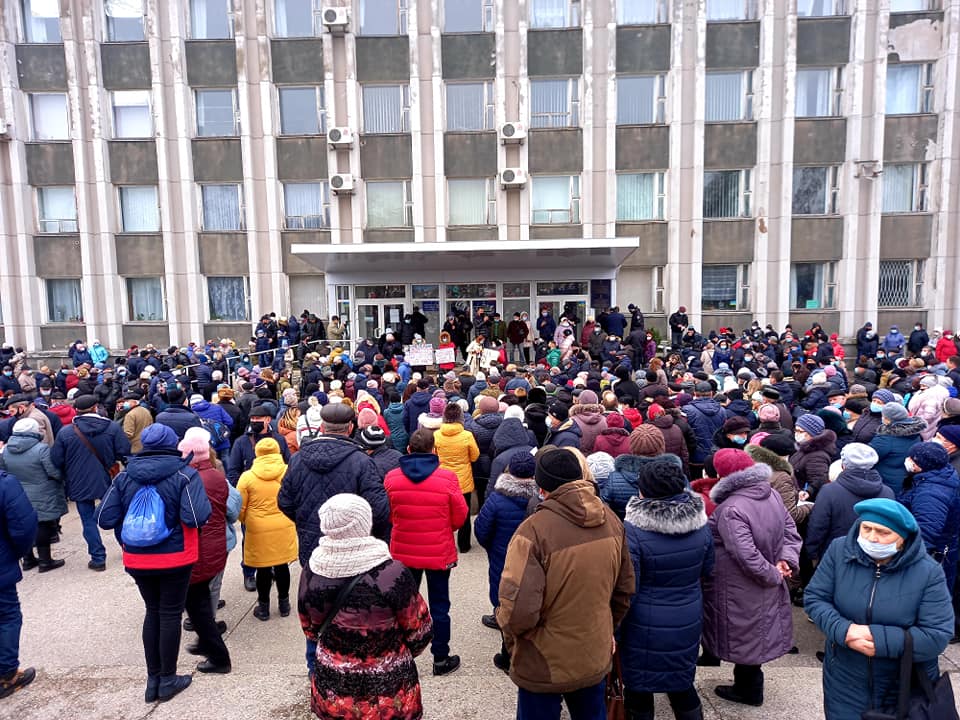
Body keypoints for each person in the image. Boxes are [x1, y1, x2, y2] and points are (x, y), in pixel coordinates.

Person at [497, 447, 635, 720]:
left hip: (542, 658)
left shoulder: (533, 530)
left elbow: (518, 610)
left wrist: (511, 639)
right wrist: (605, 628)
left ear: (542, 486)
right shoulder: (611, 520)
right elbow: (624, 589)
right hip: (593, 652)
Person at [805, 498, 954, 719]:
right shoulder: (839, 551)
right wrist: (844, 630)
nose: (872, 537)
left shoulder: (928, 572)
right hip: (844, 679)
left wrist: (877, 640)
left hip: (902, 685)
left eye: (884, 533)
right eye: (866, 528)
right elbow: (815, 598)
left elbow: (937, 635)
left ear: (903, 539)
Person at [96, 424, 212, 703]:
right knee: (170, 613)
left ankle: (153, 680)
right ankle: (168, 679)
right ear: (173, 444)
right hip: (176, 555)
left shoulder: (124, 478)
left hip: (137, 557)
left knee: (153, 611)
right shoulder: (185, 474)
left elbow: (105, 518)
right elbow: (196, 518)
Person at [298, 494, 433, 718]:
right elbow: (420, 631)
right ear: (364, 523)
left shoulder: (312, 569)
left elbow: (309, 627)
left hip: (334, 687)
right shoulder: (390, 572)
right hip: (389, 691)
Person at [700, 449, 801, 707]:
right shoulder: (772, 494)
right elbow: (791, 530)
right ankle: (747, 686)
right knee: (755, 633)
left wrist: (773, 573)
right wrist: (786, 562)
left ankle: (748, 690)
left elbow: (745, 555)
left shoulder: (731, 508)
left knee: (744, 634)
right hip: (763, 580)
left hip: (739, 585)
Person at [619, 458, 714, 720]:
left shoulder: (632, 531)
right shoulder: (700, 524)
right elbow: (708, 568)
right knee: (682, 682)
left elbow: (629, 586)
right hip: (687, 615)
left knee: (638, 689)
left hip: (642, 623)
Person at [383, 428, 468, 677]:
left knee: (404, 604)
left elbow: (388, 513)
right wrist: (444, 527)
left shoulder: (392, 477)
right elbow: (460, 515)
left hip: (404, 549)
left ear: (408, 449)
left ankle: (403, 655)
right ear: (434, 449)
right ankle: (440, 657)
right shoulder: (447, 478)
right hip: (438, 549)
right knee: (440, 605)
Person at [51, 394, 131, 571]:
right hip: (107, 477)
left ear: (76, 410)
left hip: (78, 480)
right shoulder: (111, 427)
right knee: (116, 514)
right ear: (96, 408)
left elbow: (56, 459)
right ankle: (127, 549)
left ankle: (98, 558)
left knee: (88, 520)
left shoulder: (66, 432)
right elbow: (124, 451)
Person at [474, 452, 539, 667]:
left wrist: (492, 548)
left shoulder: (496, 498)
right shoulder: (539, 499)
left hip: (502, 558)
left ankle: (507, 647)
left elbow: (482, 530)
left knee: (502, 594)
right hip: (533, 562)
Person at [177, 431, 232, 674]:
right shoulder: (217, 475)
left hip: (197, 549)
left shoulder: (189, 479)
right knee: (198, 599)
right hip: (215, 546)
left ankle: (219, 657)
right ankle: (205, 641)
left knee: (196, 602)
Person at [805, 443, 895, 564]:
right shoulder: (888, 493)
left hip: (835, 557)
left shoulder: (829, 491)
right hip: (873, 558)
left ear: (843, 465)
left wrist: (812, 553)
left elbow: (817, 526)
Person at [238, 438, 297, 621]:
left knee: (262, 568)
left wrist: (246, 520)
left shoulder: (247, 477)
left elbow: (239, 506)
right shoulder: (289, 472)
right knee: (282, 565)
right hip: (284, 523)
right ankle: (284, 604)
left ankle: (263, 608)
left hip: (258, 526)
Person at [0, 419, 66, 572]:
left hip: (18, 492)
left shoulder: (7, 450)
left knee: (24, 525)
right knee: (43, 525)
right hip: (42, 492)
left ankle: (28, 560)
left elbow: (4, 471)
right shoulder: (41, 449)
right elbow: (53, 472)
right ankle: (45, 561)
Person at [898, 442, 960, 591]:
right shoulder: (940, 475)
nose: (908, 460)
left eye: (912, 459)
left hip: (934, 556)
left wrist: (904, 562)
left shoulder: (931, 494)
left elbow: (925, 533)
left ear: (922, 464)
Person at [0, 468, 38, 699]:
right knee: (7, 616)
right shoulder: (5, 484)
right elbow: (23, 527)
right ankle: (7, 674)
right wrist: (15, 554)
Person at [433, 403, 480, 554]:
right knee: (464, 513)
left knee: (444, 513)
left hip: (443, 479)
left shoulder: (437, 435)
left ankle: (444, 543)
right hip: (463, 480)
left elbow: (434, 455)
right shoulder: (467, 435)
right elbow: (475, 456)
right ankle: (464, 545)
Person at [869, 403, 926, 495]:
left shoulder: (885, 439)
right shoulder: (915, 433)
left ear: (887, 419)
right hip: (905, 478)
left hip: (886, 480)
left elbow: (869, 455)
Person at [790, 414, 836, 500]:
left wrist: (808, 492)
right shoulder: (804, 447)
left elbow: (819, 479)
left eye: (800, 431)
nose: (796, 433)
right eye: (795, 430)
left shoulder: (817, 456)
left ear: (811, 433)